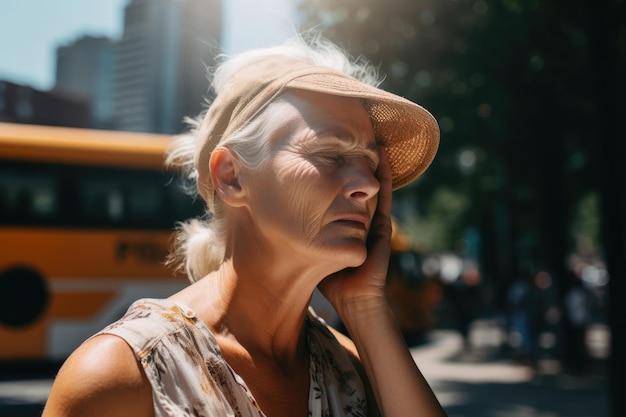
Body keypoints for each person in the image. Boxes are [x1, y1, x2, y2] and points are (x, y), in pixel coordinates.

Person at [42, 33, 446, 417]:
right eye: (330, 154)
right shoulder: (120, 378)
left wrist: (366, 308)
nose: (369, 185)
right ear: (232, 176)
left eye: (372, 163)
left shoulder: (355, 367)